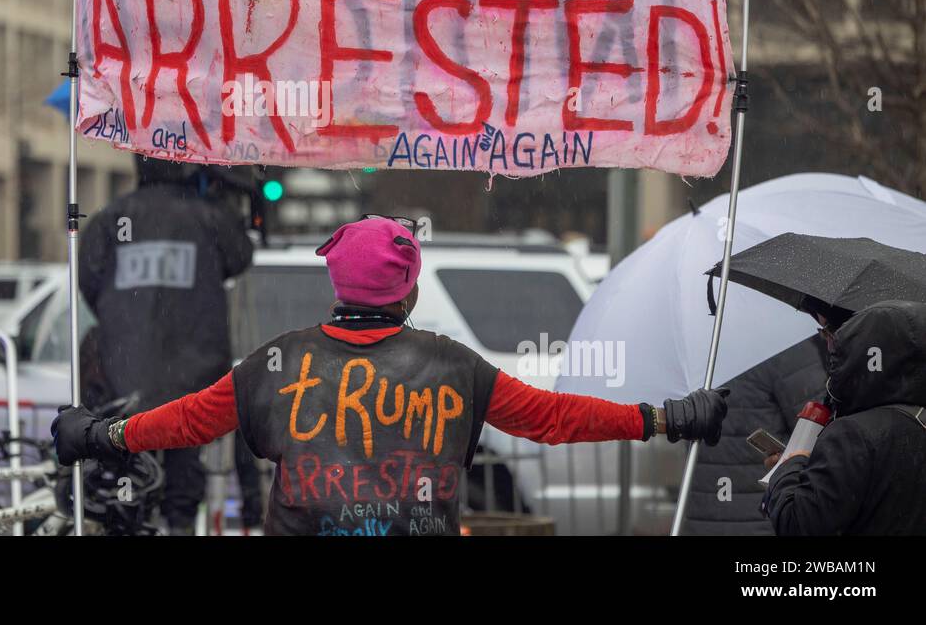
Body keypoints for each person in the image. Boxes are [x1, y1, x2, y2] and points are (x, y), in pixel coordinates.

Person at [56, 216, 728, 537]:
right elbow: (553, 420)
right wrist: (666, 419)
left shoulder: (275, 361)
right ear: (406, 293)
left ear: (335, 283)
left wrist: (103, 434)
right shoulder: (454, 366)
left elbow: (187, 423)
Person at [78, 156, 254, 534]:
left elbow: (90, 284)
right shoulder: (208, 217)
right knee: (182, 479)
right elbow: (240, 256)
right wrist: (224, 195)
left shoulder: (110, 220)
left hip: (124, 375)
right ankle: (180, 525)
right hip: (193, 376)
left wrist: (124, 322)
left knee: (124, 482)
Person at [763, 300, 926, 535]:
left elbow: (798, 525)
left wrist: (790, 466)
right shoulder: (914, 420)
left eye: (831, 334)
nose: (830, 344)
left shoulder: (852, 435)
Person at [683, 334, 827, 534]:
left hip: (700, 521)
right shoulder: (783, 339)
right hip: (766, 521)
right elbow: (822, 436)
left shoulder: (695, 348)